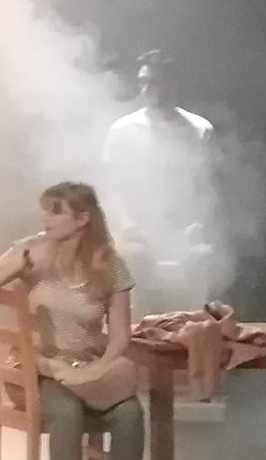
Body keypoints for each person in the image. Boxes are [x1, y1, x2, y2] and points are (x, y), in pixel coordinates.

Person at [0, 182, 153, 460]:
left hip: (86, 367)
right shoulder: (32, 251)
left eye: (56, 211)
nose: (46, 218)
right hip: (35, 371)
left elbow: (120, 335)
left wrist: (99, 372)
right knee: (66, 410)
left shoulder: (110, 265)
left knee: (129, 412)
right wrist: (16, 263)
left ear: (83, 218)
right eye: (46, 209)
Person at [96, 50, 226, 313]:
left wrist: (199, 224)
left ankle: (194, 327)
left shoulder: (199, 128)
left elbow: (208, 187)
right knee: (134, 257)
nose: (146, 88)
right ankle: (136, 327)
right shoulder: (123, 130)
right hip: (137, 230)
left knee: (203, 257)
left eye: (154, 81)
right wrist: (128, 225)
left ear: (173, 82)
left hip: (183, 229)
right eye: (142, 81)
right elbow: (111, 186)